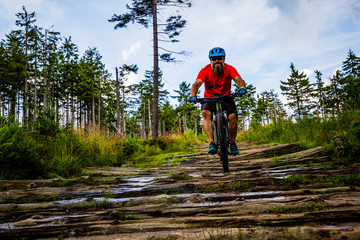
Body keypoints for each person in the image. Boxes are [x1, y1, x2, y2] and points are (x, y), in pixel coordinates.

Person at [189, 47, 246, 155]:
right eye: (213, 59)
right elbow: (196, 84)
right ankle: (212, 142)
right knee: (205, 113)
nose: (217, 61)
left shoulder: (229, 69)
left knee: (232, 116)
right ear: (210, 60)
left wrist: (242, 88)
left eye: (219, 58)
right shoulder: (205, 70)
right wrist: (193, 95)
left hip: (226, 97)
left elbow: (239, 80)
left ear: (224, 59)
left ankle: (233, 143)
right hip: (209, 98)